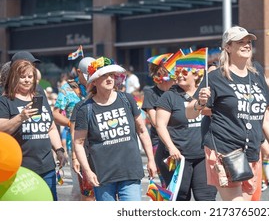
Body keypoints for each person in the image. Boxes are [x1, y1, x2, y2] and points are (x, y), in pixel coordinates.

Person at [186, 26, 269, 201]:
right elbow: (190, 113)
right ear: (228, 47)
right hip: (225, 150)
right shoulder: (216, 77)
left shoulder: (257, 76)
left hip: (252, 151)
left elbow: (265, 116)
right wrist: (200, 103)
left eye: (248, 42)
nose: (247, 45)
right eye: (241, 42)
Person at [73, 56, 157, 201]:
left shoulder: (127, 99)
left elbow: (142, 131)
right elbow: (78, 143)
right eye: (104, 75)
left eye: (111, 75)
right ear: (94, 81)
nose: (109, 78)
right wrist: (87, 171)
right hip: (102, 176)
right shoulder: (85, 109)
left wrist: (151, 159)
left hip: (130, 171)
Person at [154, 51, 218, 201]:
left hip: (203, 156)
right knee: (180, 197)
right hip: (178, 157)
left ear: (196, 75)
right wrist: (171, 147)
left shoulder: (206, 94)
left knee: (206, 197)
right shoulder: (169, 96)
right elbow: (160, 125)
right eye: (177, 72)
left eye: (184, 72)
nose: (179, 75)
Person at [0, 60, 67, 201]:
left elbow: (51, 127)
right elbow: (2, 129)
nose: (27, 80)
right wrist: (20, 117)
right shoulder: (6, 101)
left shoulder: (39, 98)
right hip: (21, 169)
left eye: (30, 77)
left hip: (46, 167)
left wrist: (59, 150)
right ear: (14, 77)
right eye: (22, 76)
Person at [52, 57, 96, 201]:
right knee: (81, 189)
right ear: (78, 72)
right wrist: (72, 124)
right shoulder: (68, 88)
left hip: (99, 143)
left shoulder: (98, 84)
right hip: (78, 145)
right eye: (87, 75)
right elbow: (55, 114)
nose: (91, 79)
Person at [141, 53, 176, 186]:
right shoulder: (151, 93)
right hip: (160, 143)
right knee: (167, 183)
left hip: (180, 139)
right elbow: (156, 123)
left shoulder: (178, 92)